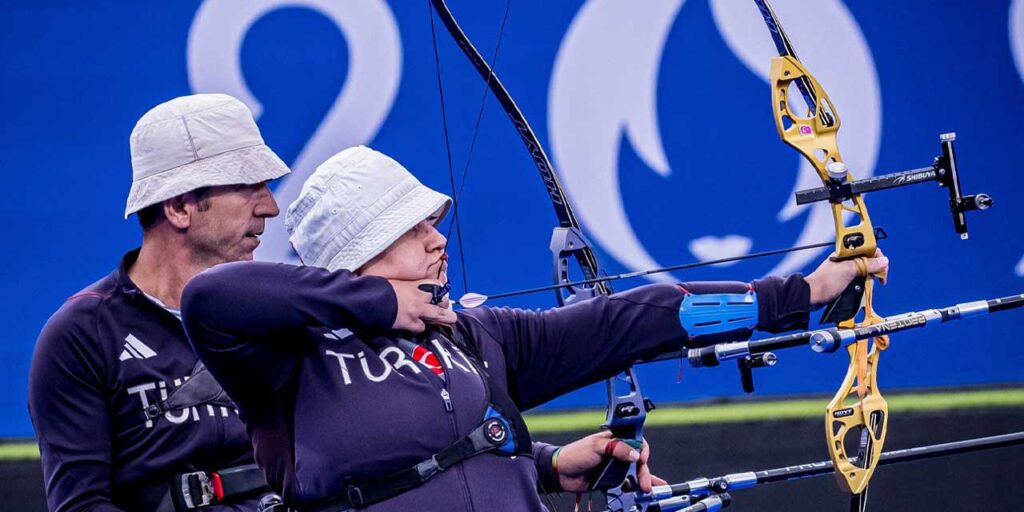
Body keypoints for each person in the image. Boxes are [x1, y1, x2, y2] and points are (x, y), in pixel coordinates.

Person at [180, 146, 888, 511]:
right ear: (355, 255)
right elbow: (212, 297)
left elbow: (638, 318)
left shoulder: (475, 334)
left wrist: (801, 292)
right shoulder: (289, 360)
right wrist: (379, 306)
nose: (437, 240)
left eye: (435, 224)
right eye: (412, 228)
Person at [28, 94, 291, 511]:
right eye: (248, 187)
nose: (271, 207)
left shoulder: (276, 314)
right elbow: (82, 506)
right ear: (179, 207)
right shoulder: (81, 335)